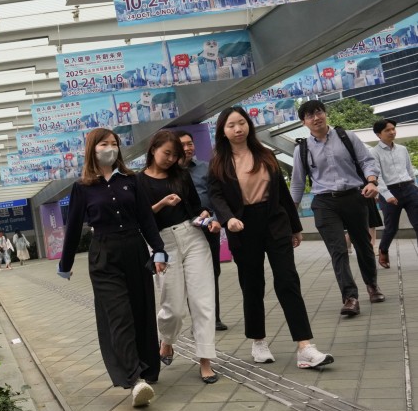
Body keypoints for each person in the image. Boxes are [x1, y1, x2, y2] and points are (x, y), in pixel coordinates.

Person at [209, 107, 332, 368]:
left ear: (249, 125)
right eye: (231, 125)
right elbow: (215, 196)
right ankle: (258, 340)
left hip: (274, 221)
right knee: (252, 284)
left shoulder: (264, 154)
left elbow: (282, 192)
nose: (238, 129)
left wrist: (295, 226)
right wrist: (227, 218)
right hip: (242, 225)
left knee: (288, 280)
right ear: (223, 131)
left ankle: (305, 346)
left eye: (241, 123)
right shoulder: (219, 162)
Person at [58, 128, 168, 408]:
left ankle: (146, 369)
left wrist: (159, 250)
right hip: (103, 256)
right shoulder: (82, 188)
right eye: (104, 143)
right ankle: (134, 379)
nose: (110, 148)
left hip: (135, 250)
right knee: (119, 316)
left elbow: (146, 219)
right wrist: (65, 265)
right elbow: (72, 229)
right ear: (92, 149)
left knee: (141, 311)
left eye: (114, 143)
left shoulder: (131, 181)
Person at [137, 131, 219, 383]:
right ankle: (167, 340)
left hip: (193, 236)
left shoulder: (181, 176)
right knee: (172, 308)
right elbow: (139, 218)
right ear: (153, 150)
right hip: (162, 243)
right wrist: (161, 203)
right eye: (167, 153)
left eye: (176, 155)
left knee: (202, 301)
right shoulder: (138, 181)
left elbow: (196, 208)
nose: (171, 159)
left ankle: (205, 360)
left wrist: (208, 220)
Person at [290, 100, 384, 316]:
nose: (315, 118)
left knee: (363, 244)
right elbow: (297, 183)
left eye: (318, 112)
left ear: (325, 113)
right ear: (304, 122)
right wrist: (290, 214)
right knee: (338, 249)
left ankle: (372, 284)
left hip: (354, 197)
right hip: (324, 203)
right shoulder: (302, 149)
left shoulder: (347, 136)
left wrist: (371, 181)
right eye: (309, 115)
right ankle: (350, 297)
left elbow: (367, 161)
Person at [176, 130, 228, 331]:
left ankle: (214, 318)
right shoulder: (171, 173)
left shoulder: (207, 169)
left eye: (190, 144)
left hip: (208, 229)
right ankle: (198, 319)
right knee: (190, 275)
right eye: (183, 145)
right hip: (183, 231)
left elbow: (216, 196)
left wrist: (214, 219)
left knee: (212, 272)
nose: (188, 148)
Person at [370, 118, 418, 269]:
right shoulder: (374, 153)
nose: (392, 132)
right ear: (379, 135)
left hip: (409, 189)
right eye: (387, 130)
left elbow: (410, 171)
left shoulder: (402, 149)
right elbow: (378, 177)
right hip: (390, 192)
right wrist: (387, 194)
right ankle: (383, 250)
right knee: (391, 228)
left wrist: (414, 187)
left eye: (393, 129)